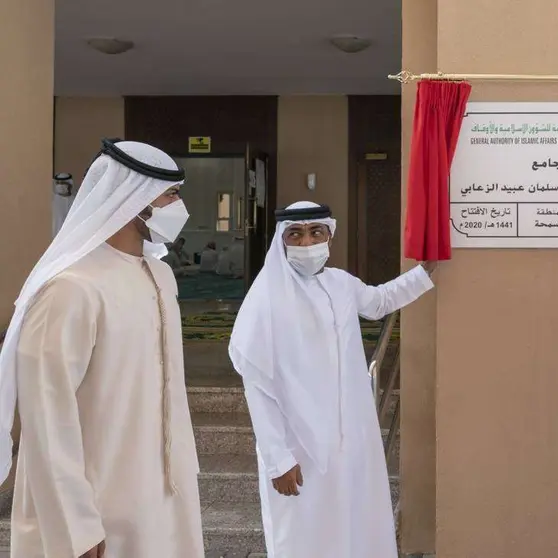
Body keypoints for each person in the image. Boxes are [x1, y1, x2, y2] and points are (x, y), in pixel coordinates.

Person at [0, 139, 205, 557]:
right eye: (170, 194)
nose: (178, 206)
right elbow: (47, 418)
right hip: (96, 510)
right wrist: (76, 523)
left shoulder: (162, 277)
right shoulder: (70, 289)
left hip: (163, 500)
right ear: (136, 199)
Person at [229, 201, 435, 558]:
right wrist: (278, 458)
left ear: (329, 237)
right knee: (304, 535)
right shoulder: (266, 297)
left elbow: (379, 301)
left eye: (316, 232)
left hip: (351, 438)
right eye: (296, 234)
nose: (307, 242)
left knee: (356, 527)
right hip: (299, 446)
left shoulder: (340, 283)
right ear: (281, 241)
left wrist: (425, 272)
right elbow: (257, 386)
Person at [52, 172, 75, 237]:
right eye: (58, 183)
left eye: (63, 183)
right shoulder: (52, 199)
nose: (60, 185)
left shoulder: (74, 200)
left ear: (70, 184)